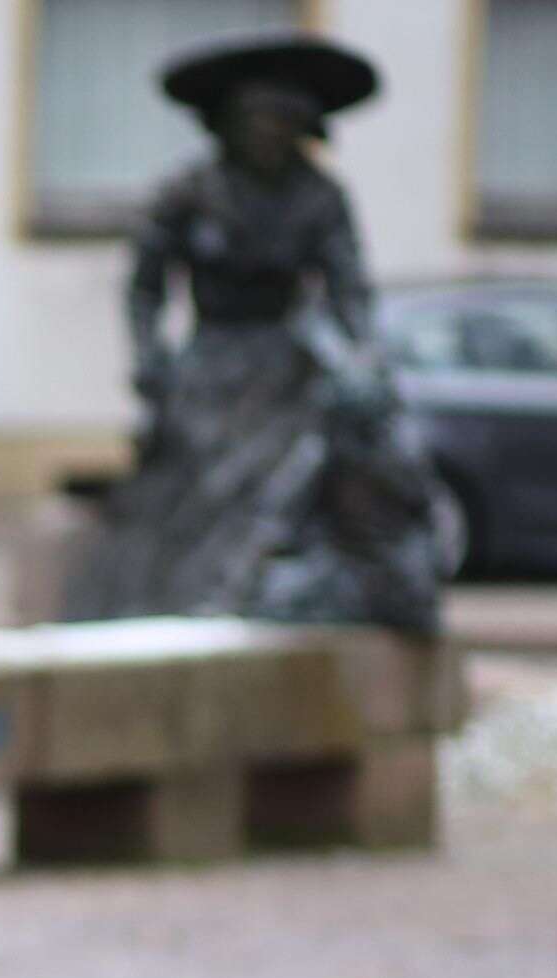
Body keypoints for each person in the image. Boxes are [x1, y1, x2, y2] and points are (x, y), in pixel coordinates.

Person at [65, 31, 445, 631]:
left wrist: (363, 358)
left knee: (310, 467)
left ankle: (265, 586)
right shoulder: (188, 192)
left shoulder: (320, 198)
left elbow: (351, 291)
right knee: (196, 478)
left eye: (282, 123)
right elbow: (144, 286)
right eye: (257, 121)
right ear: (228, 126)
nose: (270, 135)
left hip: (284, 360)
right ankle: (183, 598)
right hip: (212, 357)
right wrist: (148, 356)